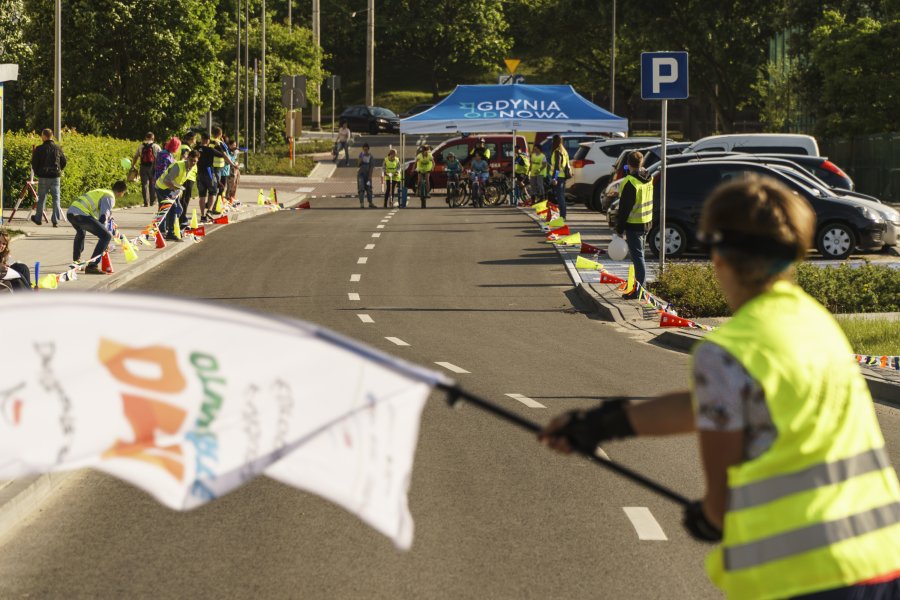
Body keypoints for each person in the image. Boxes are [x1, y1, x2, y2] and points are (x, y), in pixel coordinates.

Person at [539, 176, 900, 600]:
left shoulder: (729, 349)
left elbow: (720, 497)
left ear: (718, 257)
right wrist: (606, 423)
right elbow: (717, 404)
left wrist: (708, 518)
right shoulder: (812, 321)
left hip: (800, 574)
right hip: (880, 557)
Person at [615, 151, 653, 299]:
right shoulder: (648, 178)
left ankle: (640, 291)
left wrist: (619, 227)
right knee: (640, 255)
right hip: (646, 222)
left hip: (634, 224)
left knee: (638, 258)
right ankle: (641, 288)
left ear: (628, 164)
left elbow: (624, 208)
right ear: (641, 163)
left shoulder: (630, 182)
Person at [67, 181, 127, 274]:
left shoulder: (102, 192)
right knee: (106, 236)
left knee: (81, 233)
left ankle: (77, 262)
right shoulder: (110, 197)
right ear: (121, 192)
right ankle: (92, 266)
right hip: (80, 214)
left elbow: (99, 215)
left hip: (71, 213)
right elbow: (103, 217)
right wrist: (105, 240)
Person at [155, 151, 199, 239]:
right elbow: (166, 181)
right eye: (191, 160)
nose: (193, 163)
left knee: (178, 209)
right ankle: (169, 232)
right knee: (173, 208)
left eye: (195, 161)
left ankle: (162, 229)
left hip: (171, 189)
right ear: (187, 158)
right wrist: (177, 188)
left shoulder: (191, 168)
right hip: (162, 188)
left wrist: (178, 189)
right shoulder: (178, 166)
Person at [30, 128, 68, 227]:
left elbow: (34, 163)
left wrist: (38, 173)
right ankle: (55, 220)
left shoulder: (39, 149)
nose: (41, 137)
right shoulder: (58, 148)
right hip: (55, 177)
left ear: (44, 136)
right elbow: (64, 162)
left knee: (42, 198)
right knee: (56, 198)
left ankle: (38, 219)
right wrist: (59, 170)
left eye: (42, 135)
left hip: (43, 176)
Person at [196, 132, 231, 223]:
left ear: (201, 139)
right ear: (208, 140)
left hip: (199, 173)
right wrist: (218, 146)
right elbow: (221, 154)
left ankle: (203, 215)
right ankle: (209, 211)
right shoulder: (210, 149)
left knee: (202, 195)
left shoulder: (195, 149)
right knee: (213, 192)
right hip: (209, 173)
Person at [132, 132, 161, 207]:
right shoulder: (156, 146)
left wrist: (133, 165)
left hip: (143, 167)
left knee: (144, 184)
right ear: (153, 138)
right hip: (153, 167)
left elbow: (135, 156)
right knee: (153, 184)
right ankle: (153, 201)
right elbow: (161, 157)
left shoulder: (141, 146)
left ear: (146, 138)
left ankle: (146, 202)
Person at [178, 132, 199, 228]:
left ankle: (181, 218)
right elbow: (184, 158)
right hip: (188, 177)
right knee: (185, 199)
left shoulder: (181, 146)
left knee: (183, 199)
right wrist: (187, 170)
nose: (195, 141)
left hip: (186, 176)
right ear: (191, 139)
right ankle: (182, 220)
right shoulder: (186, 148)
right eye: (195, 139)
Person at [549, 134, 570, 219]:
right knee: (561, 197)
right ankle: (563, 215)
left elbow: (557, 167)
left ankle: (562, 216)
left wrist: (555, 178)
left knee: (560, 197)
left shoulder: (557, 151)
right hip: (563, 177)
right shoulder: (564, 151)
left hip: (559, 178)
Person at [357, 143, 375, 208]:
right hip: (361, 174)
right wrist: (362, 157)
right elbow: (358, 164)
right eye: (364, 149)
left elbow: (372, 166)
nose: (365, 151)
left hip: (368, 175)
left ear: (368, 149)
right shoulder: (361, 155)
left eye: (366, 149)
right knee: (361, 188)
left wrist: (369, 176)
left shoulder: (371, 156)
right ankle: (361, 203)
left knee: (369, 188)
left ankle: (370, 203)